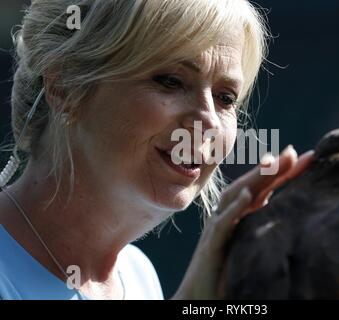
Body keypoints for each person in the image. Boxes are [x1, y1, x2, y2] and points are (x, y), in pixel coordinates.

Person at [0, 0, 313, 300]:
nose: (209, 122)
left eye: (226, 98)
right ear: (64, 86)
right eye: (171, 81)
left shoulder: (137, 273)